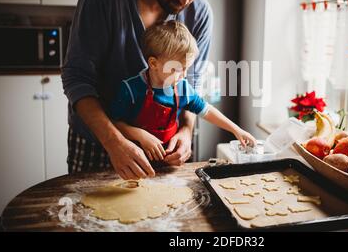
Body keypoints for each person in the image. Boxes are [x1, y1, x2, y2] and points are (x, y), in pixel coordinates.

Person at [61, 0, 217, 179]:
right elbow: (77, 80)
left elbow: (191, 86)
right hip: (99, 141)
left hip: (164, 148)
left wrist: (186, 132)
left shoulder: (200, 14)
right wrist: (114, 142)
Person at [108, 21, 256, 179]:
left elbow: (206, 110)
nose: (184, 75)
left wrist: (236, 130)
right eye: (177, 69)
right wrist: (140, 135)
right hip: (135, 165)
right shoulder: (131, 89)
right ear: (153, 63)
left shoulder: (182, 87)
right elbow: (115, 123)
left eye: (187, 68)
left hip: (169, 166)